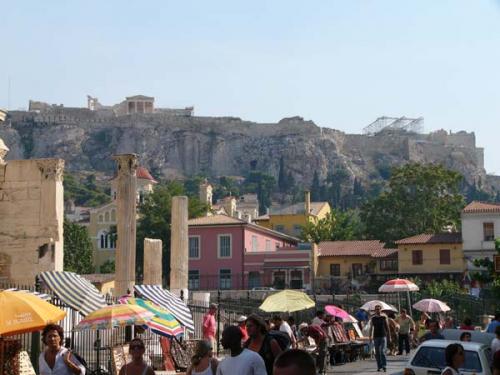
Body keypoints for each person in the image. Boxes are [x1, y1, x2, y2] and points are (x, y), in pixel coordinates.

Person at [370, 304, 391, 372]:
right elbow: (371, 328)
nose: (377, 310)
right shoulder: (373, 318)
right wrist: (370, 336)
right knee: (377, 353)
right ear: (375, 310)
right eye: (376, 309)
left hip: (383, 336)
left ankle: (384, 366)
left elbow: (387, 327)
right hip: (376, 337)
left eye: (378, 309)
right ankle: (379, 366)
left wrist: (389, 336)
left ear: (381, 310)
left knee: (382, 351)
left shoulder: (384, 317)